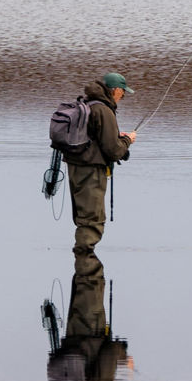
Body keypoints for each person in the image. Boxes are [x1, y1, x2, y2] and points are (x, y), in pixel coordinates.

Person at [64, 72, 137, 257]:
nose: (124, 96)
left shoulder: (88, 104)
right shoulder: (104, 110)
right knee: (92, 220)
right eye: (123, 92)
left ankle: (83, 266)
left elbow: (95, 137)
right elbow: (113, 150)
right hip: (91, 171)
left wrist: (118, 137)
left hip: (76, 167)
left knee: (84, 216)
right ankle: (86, 264)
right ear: (116, 90)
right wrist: (127, 141)